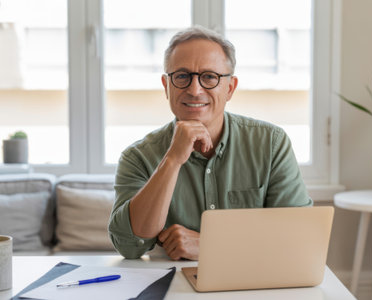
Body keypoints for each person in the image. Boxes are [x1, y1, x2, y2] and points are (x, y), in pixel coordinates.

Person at [108, 26, 312, 260]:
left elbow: (298, 238)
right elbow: (130, 246)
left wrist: (211, 245)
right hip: (174, 287)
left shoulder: (271, 144)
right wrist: (172, 160)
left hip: (254, 284)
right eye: (182, 76)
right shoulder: (137, 157)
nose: (195, 90)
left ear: (230, 88)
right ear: (167, 86)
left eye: (209, 77)